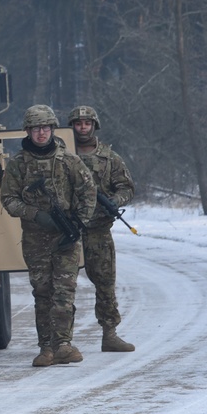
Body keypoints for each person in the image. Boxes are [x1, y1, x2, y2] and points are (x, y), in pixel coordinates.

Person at [2, 105, 96, 367]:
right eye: (36, 128)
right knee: (42, 292)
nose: (41, 133)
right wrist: (34, 214)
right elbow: (8, 199)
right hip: (36, 239)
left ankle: (63, 344)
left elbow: (88, 191)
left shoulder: (69, 161)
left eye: (45, 128)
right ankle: (46, 347)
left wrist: (79, 220)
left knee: (64, 291)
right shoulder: (18, 164)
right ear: (28, 131)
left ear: (53, 129)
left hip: (66, 237)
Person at [68, 106, 136, 352]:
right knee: (63, 286)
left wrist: (114, 202)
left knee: (105, 283)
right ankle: (62, 340)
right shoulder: (62, 155)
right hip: (68, 229)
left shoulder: (109, 157)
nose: (82, 128)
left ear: (94, 125)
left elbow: (127, 188)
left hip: (98, 229)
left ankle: (110, 333)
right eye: (78, 123)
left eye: (87, 123)